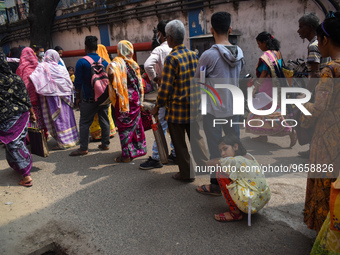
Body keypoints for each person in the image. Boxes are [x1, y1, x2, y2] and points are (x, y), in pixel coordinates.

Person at [151, 20, 209, 181]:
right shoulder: (193, 55)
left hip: (177, 110)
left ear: (169, 38)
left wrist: (157, 106)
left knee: (180, 145)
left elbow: (166, 88)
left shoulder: (172, 58)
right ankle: (206, 166)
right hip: (193, 106)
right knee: (197, 139)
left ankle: (186, 174)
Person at [194, 12, 244, 195]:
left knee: (217, 150)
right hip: (234, 108)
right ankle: (236, 183)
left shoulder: (208, 56)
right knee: (234, 148)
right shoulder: (240, 53)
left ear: (211, 30)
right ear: (230, 29)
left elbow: (199, 82)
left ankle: (216, 186)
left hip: (214, 111)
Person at [300, 11, 340, 234]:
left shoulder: (330, 70)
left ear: (325, 40)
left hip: (326, 137)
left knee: (324, 183)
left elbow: (318, 107)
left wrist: (302, 111)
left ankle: (325, 229)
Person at [245, 31, 297, 147]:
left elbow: (264, 72)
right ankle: (263, 135)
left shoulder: (267, 56)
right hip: (275, 85)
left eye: (259, 44)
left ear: (265, 42)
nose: (259, 46)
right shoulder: (277, 53)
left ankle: (290, 131)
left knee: (269, 112)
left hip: (267, 86)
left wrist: (256, 86)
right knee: (264, 111)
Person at [139, 20, 177, 170]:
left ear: (161, 34)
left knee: (161, 122)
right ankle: (174, 153)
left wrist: (154, 77)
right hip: (177, 93)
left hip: (164, 92)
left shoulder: (160, 50)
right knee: (174, 125)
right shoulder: (178, 48)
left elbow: (148, 65)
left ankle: (156, 156)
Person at [207, 134, 271, 222]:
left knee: (220, 174)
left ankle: (235, 213)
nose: (222, 153)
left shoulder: (234, 160)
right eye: (220, 151)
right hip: (263, 199)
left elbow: (212, 163)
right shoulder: (249, 156)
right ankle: (242, 204)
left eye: (225, 149)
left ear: (235, 146)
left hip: (250, 205)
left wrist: (204, 162)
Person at [69, 36, 111, 156]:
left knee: (84, 123)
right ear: (96, 48)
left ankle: (83, 148)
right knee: (104, 120)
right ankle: (105, 144)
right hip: (103, 97)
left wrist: (77, 97)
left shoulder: (81, 62)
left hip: (88, 98)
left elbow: (77, 82)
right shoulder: (104, 61)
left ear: (86, 47)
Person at [30, 49, 79, 150]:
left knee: (59, 119)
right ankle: (73, 139)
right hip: (66, 96)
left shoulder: (43, 66)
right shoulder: (61, 68)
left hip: (53, 97)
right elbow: (69, 83)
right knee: (68, 118)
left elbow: (33, 78)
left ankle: (63, 143)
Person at [107, 40, 147, 163]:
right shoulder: (134, 64)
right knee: (135, 124)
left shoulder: (117, 63)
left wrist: (114, 85)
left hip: (124, 100)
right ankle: (139, 149)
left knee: (124, 126)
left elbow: (110, 73)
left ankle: (126, 155)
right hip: (135, 98)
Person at [297, 12, 331, 159]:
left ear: (310, 28)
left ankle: (314, 149)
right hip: (325, 88)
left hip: (317, 89)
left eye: (301, 27)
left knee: (309, 120)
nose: (298, 31)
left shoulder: (313, 45)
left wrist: (305, 94)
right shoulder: (322, 43)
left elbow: (315, 74)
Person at [0, 49, 34, 187]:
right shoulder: (16, 78)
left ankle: (26, 175)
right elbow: (26, 98)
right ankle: (18, 167)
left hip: (7, 118)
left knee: (14, 145)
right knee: (16, 143)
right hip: (21, 115)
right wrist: (32, 113)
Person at [16, 47, 48, 139]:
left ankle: (31, 139)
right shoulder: (39, 67)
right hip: (40, 98)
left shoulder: (21, 69)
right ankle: (43, 136)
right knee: (40, 117)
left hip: (27, 100)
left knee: (30, 118)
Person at [89, 44, 117, 142]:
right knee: (106, 113)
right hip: (107, 92)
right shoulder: (107, 62)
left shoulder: (91, 63)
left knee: (96, 114)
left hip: (96, 92)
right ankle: (109, 132)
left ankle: (97, 134)